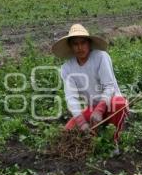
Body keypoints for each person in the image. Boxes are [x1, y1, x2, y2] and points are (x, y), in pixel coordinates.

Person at [52, 24, 129, 152]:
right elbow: (71, 98)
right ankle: (96, 134)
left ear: (89, 43)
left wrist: (100, 109)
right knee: (68, 132)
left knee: (119, 104)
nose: (79, 47)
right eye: (75, 44)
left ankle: (113, 142)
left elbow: (109, 86)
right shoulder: (67, 68)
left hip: (111, 103)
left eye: (83, 42)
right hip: (92, 108)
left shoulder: (100, 57)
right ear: (71, 47)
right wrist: (82, 122)